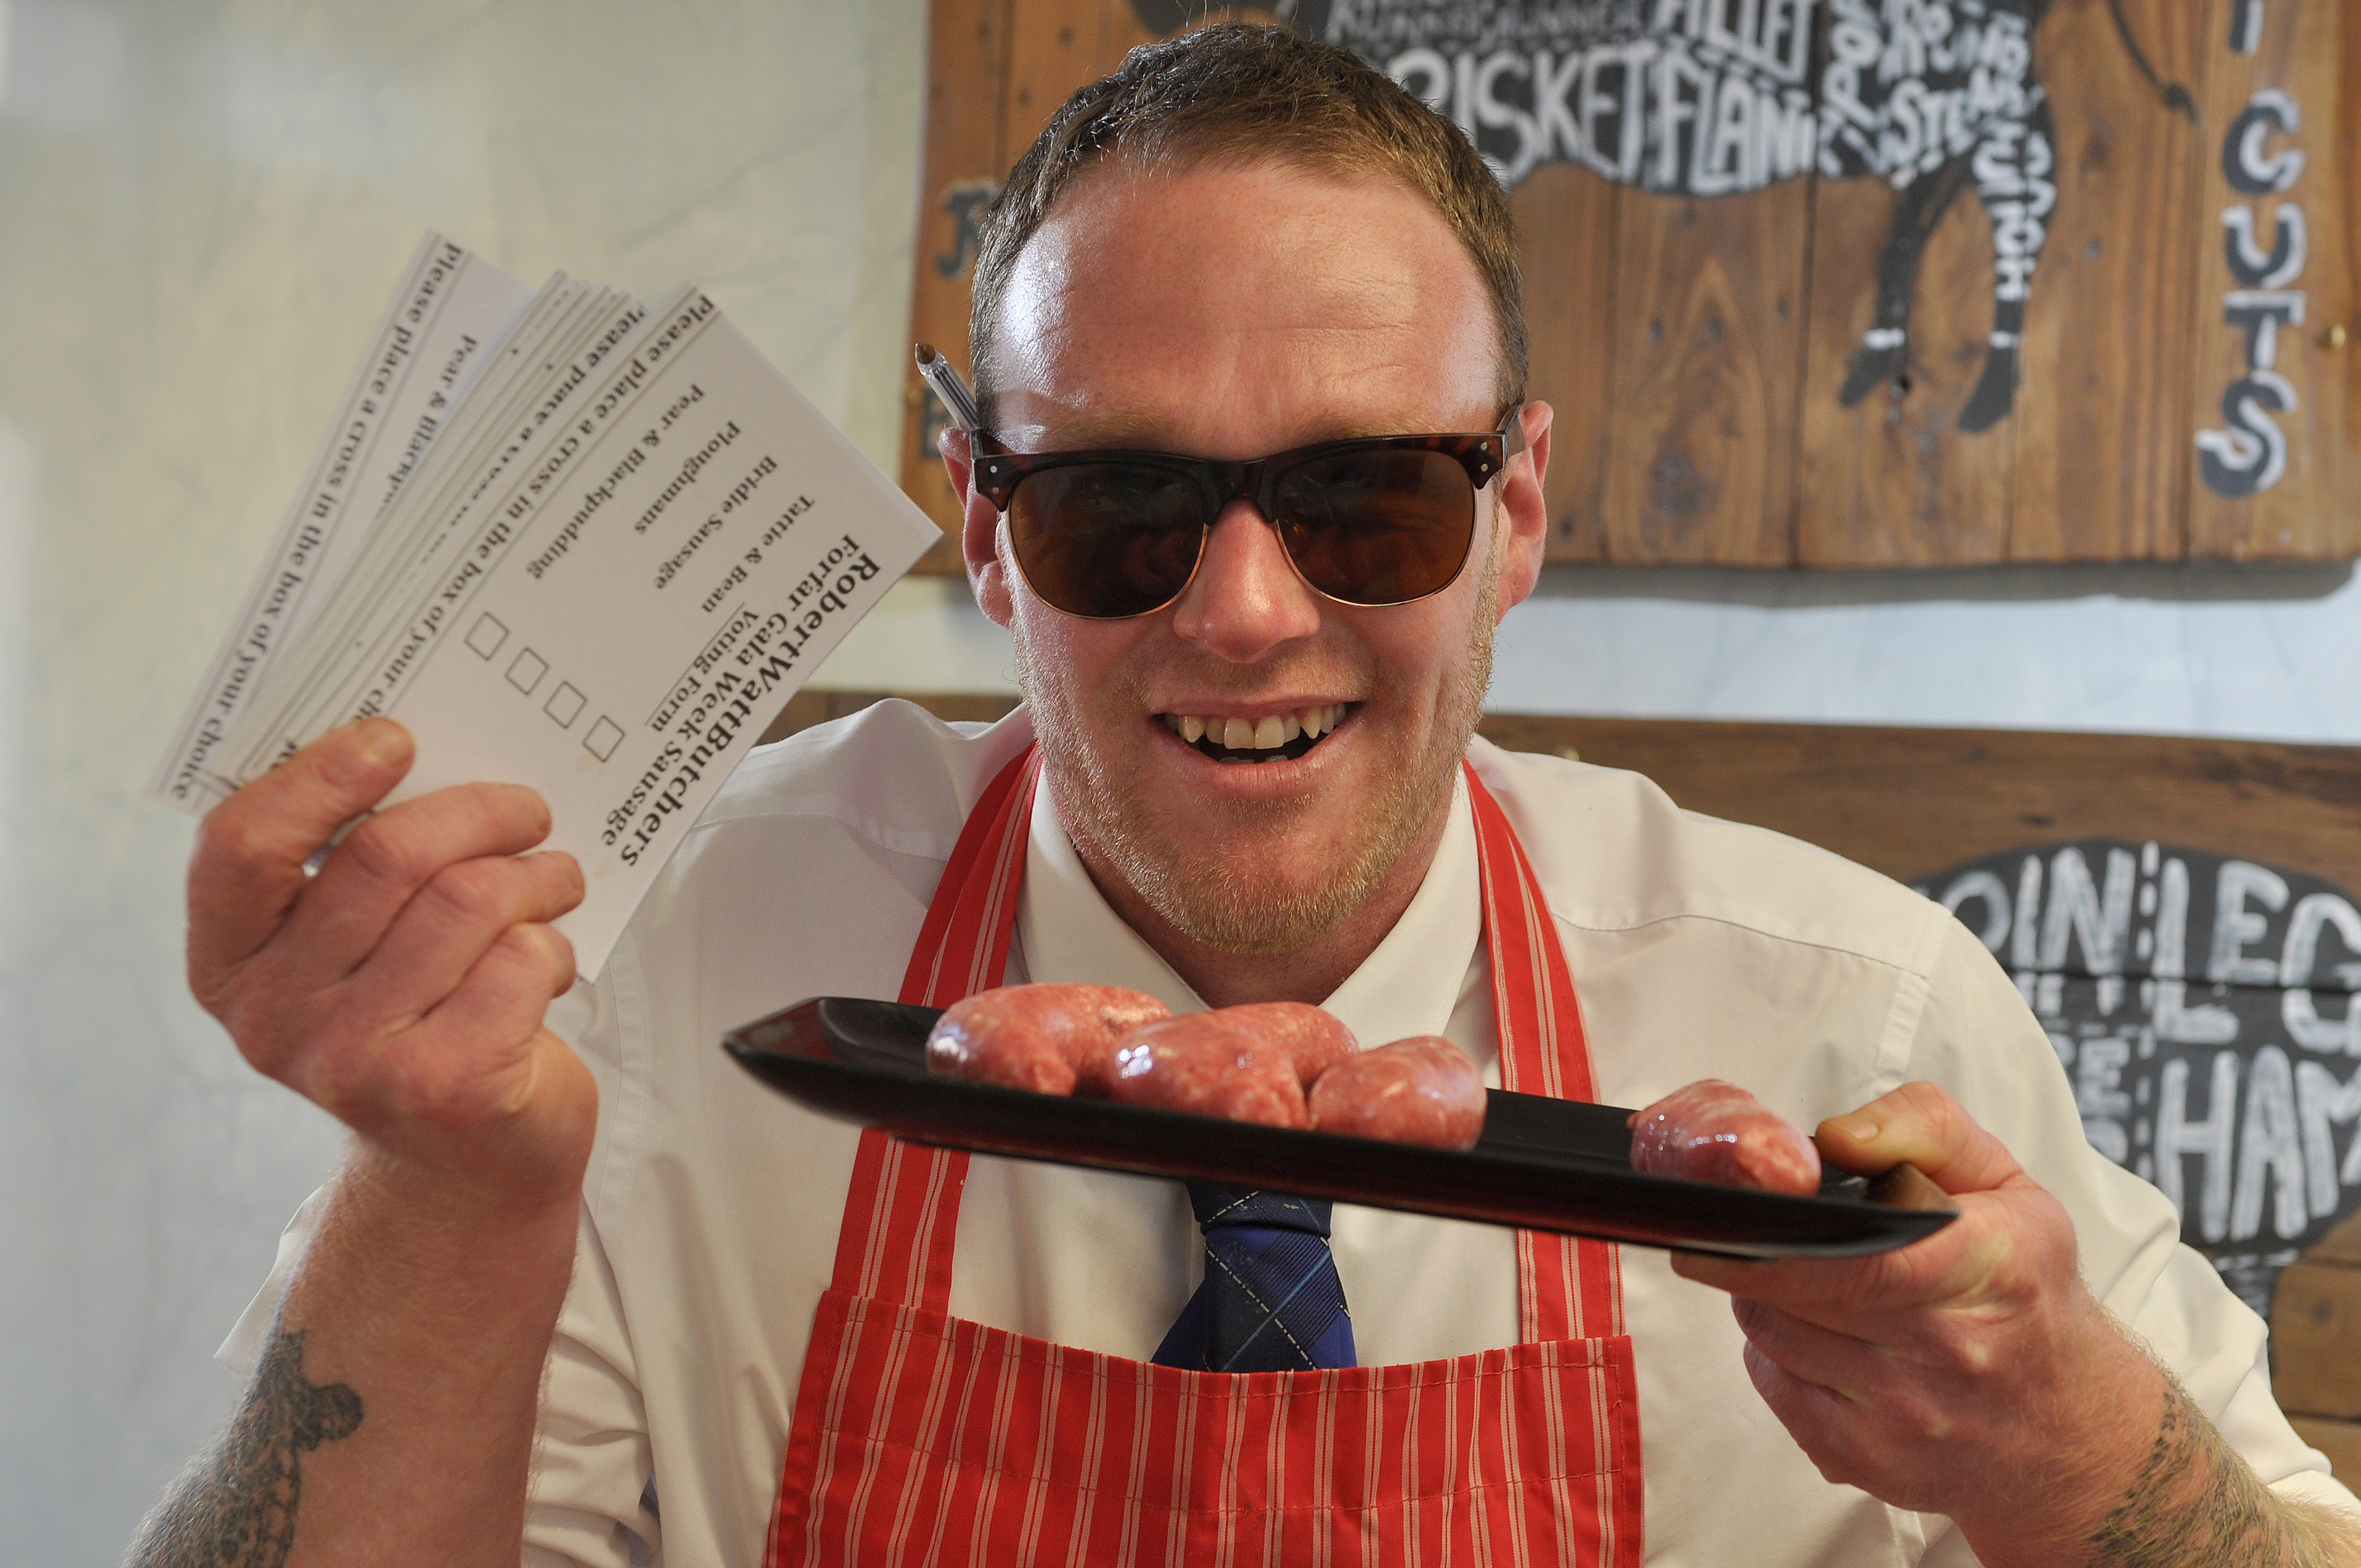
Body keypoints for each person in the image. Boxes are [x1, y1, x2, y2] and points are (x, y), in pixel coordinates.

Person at [134, 23, 2360, 1568]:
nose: (1241, 609)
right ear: (985, 527)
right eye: (1118, 503)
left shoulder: (1843, 1023)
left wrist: (2065, 1451)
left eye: (1364, 496)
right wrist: (446, 1183)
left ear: (1517, 514)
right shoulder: (670, 955)